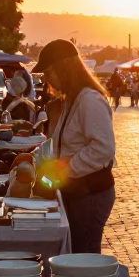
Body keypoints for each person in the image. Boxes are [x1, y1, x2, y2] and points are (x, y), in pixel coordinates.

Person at [34, 39, 115, 253]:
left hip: (89, 193)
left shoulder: (89, 100)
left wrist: (65, 167)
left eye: (48, 73)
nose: (47, 80)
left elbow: (103, 149)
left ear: (64, 68)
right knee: (76, 251)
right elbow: (63, 144)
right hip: (77, 190)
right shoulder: (71, 100)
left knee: (83, 254)